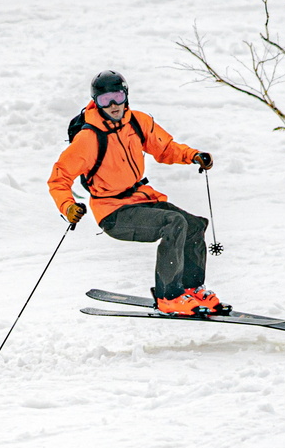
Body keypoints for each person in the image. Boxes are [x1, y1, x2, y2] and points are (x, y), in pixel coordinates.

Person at [47, 70, 222, 316]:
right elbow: (59, 178)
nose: (114, 105)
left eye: (118, 96)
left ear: (126, 96)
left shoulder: (137, 122)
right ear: (96, 103)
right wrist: (68, 206)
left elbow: (165, 147)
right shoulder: (88, 138)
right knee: (174, 223)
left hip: (141, 199)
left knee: (194, 224)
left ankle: (192, 290)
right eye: (105, 100)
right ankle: (169, 296)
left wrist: (192, 155)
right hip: (113, 212)